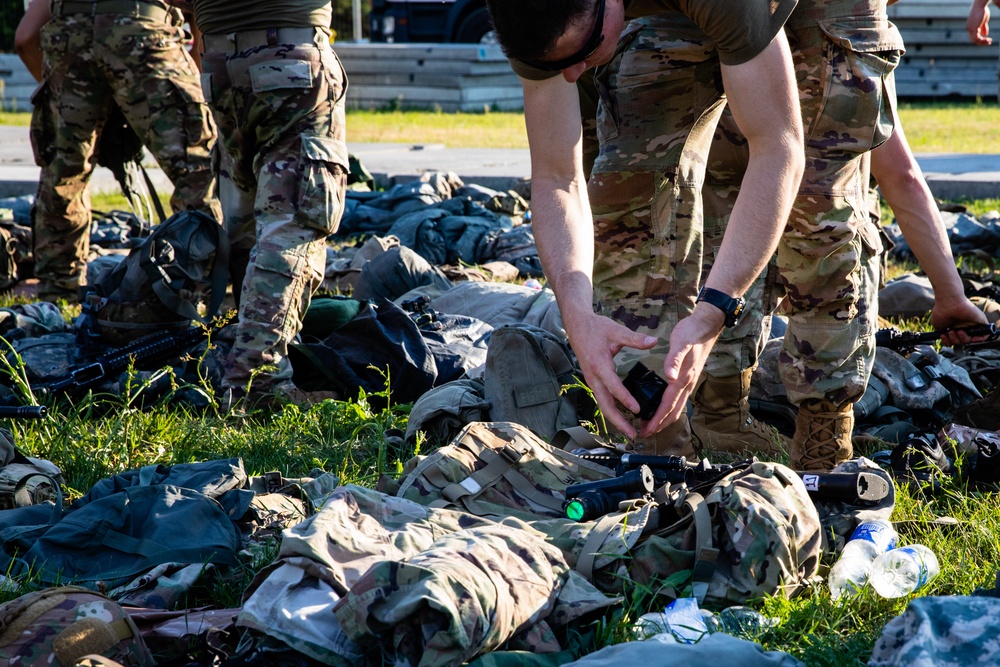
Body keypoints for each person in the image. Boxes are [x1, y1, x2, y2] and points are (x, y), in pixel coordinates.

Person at [485, 0, 805, 457]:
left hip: (806, 8)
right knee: (632, 185)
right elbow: (557, 176)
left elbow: (779, 146)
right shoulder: (537, 21)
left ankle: (819, 435)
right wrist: (576, 314)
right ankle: (662, 447)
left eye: (584, 50)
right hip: (665, 15)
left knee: (820, 181)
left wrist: (714, 310)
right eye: (554, 65)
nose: (573, 75)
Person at [174, 0, 350, 405]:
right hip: (293, 60)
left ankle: (238, 348)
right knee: (293, 220)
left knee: (245, 218)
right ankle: (258, 379)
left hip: (220, 67)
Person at [20, 0, 221, 304]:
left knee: (62, 177)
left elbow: (24, 37)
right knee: (197, 172)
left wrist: (69, 99)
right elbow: (201, 18)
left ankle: (58, 298)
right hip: (144, 33)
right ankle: (192, 295)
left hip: (67, 36)